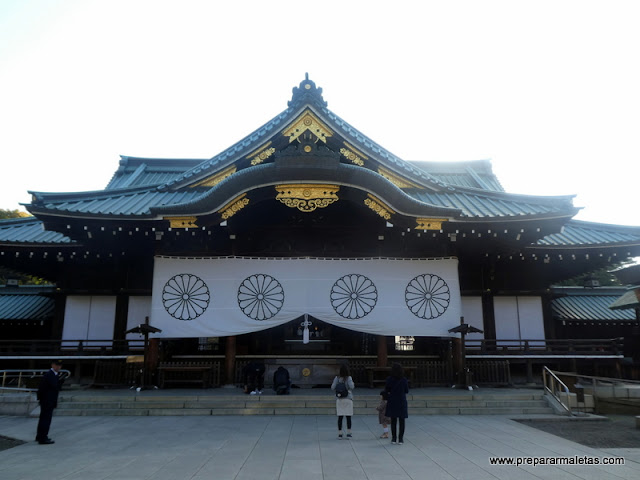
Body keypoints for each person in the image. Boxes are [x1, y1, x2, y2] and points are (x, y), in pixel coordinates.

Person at [36, 359, 64, 445]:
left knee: (43, 419)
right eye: (56, 365)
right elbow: (45, 388)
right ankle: (43, 438)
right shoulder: (50, 375)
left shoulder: (54, 375)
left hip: (48, 400)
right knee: (46, 419)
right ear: (52, 365)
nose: (58, 367)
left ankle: (40, 436)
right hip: (47, 400)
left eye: (59, 365)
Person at [385, 362, 409, 445]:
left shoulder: (389, 379)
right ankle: (401, 439)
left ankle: (394, 438)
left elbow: (386, 389)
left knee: (393, 420)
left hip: (392, 400)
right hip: (401, 400)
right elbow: (406, 390)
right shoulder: (404, 380)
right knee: (402, 420)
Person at [331, 364, 355, 439]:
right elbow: (352, 387)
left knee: (340, 417)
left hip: (339, 398)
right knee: (348, 417)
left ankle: (340, 434)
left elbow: (332, 387)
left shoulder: (337, 378)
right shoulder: (349, 378)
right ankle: (349, 433)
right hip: (348, 398)